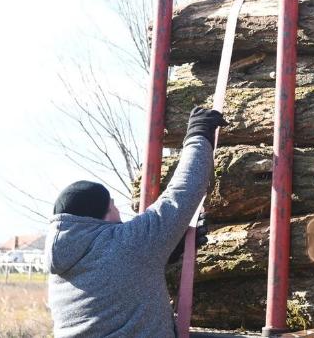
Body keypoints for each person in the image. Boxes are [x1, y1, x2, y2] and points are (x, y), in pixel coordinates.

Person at [44, 106, 227, 337]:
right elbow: (184, 191)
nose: (119, 211)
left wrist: (165, 251)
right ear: (100, 216)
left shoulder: (61, 264)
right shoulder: (127, 243)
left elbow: (114, 284)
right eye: (112, 206)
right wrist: (198, 134)